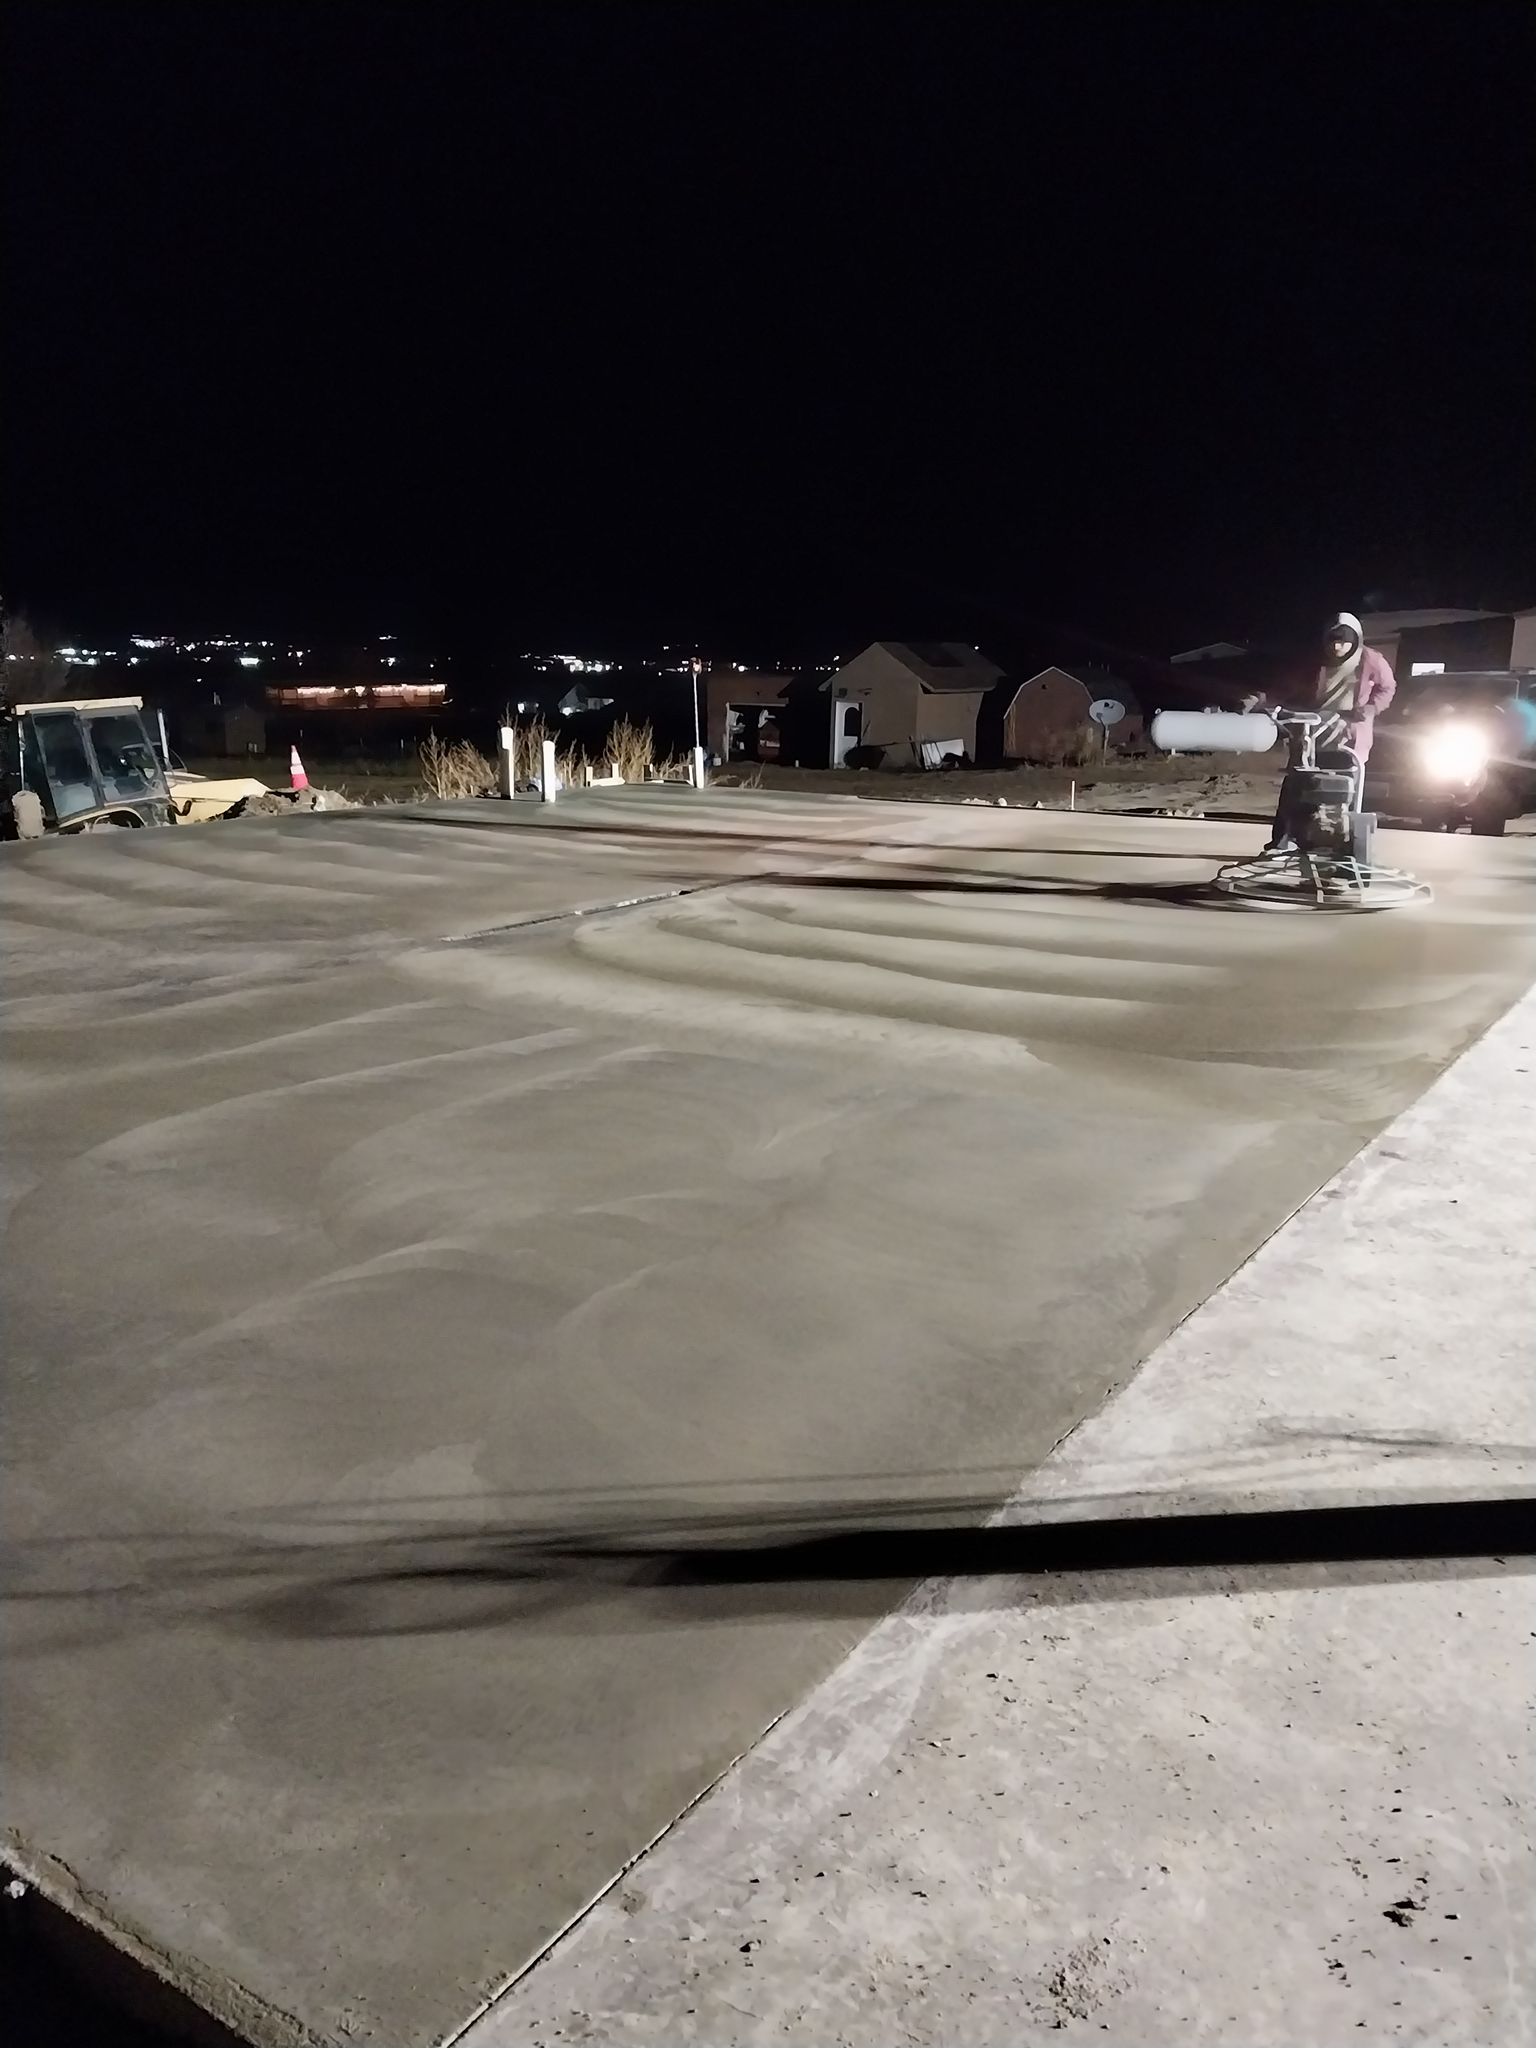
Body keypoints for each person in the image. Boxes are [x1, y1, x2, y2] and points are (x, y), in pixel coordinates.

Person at [1264, 610, 1397, 852]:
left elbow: (1387, 688)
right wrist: (1265, 701)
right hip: (1312, 731)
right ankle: (1282, 842)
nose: (1338, 648)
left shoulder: (1371, 660)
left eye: (1345, 642)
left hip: (1349, 735)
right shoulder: (1313, 662)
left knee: (1345, 791)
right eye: (1334, 642)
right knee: (1297, 787)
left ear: (1355, 640)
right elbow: (1285, 686)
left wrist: (1369, 709)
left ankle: (1341, 843)